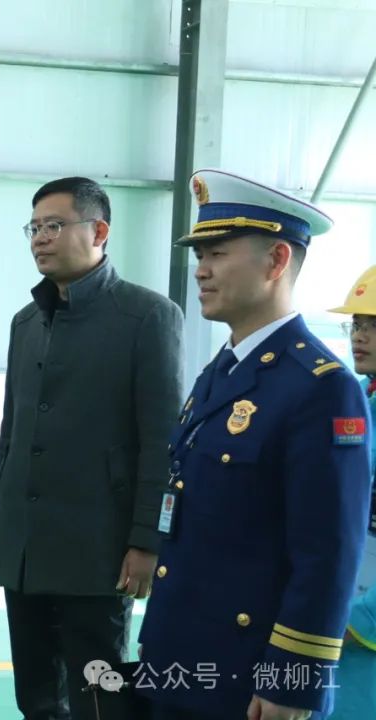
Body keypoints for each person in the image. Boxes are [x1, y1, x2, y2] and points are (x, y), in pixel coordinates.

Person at [137, 169, 371, 720]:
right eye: (200, 255)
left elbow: (328, 553)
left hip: (248, 682)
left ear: (277, 260)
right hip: (179, 661)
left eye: (218, 253)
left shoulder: (320, 387)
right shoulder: (221, 372)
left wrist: (292, 681)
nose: (201, 269)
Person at [0, 176, 185, 720]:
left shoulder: (147, 316)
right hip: (23, 548)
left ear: (99, 231)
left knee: (99, 697)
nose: (40, 238)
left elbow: (162, 442)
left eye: (54, 225)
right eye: (33, 228)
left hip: (100, 552)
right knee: (36, 697)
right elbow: (11, 433)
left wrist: (146, 541)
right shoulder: (26, 322)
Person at [327, 266, 376, 719]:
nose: (360, 336)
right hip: (340, 597)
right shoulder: (355, 399)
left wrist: (362, 619)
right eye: (357, 324)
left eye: (374, 326)